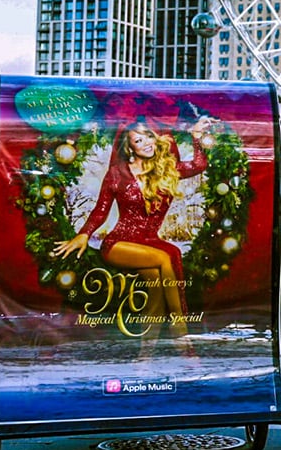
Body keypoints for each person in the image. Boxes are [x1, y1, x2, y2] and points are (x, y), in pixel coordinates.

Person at [52, 115, 208, 336]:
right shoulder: (117, 174)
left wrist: (197, 137)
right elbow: (100, 211)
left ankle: (145, 354)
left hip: (150, 243)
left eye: (148, 137)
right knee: (168, 255)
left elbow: (199, 165)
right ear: (130, 148)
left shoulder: (166, 169)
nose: (146, 143)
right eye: (138, 141)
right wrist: (84, 234)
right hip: (119, 244)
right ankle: (180, 331)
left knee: (155, 284)